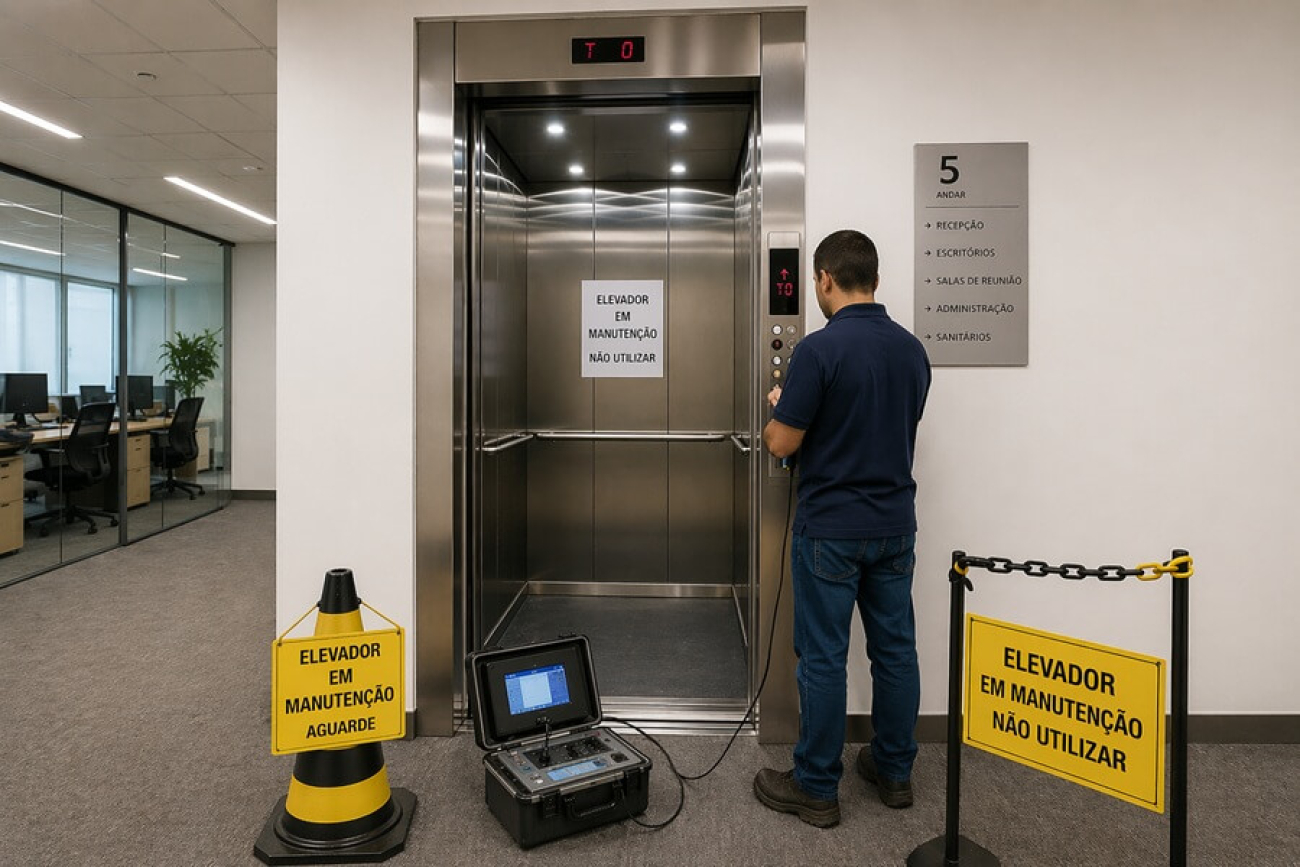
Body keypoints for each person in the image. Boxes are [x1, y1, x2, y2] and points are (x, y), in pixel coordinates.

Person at [752, 230, 931, 828]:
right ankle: (895, 771)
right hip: (894, 527)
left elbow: (782, 440)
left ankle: (816, 787)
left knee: (823, 658)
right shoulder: (911, 351)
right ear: (874, 280)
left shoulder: (819, 351)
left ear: (825, 279)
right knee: (895, 652)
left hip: (830, 529)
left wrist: (780, 402)